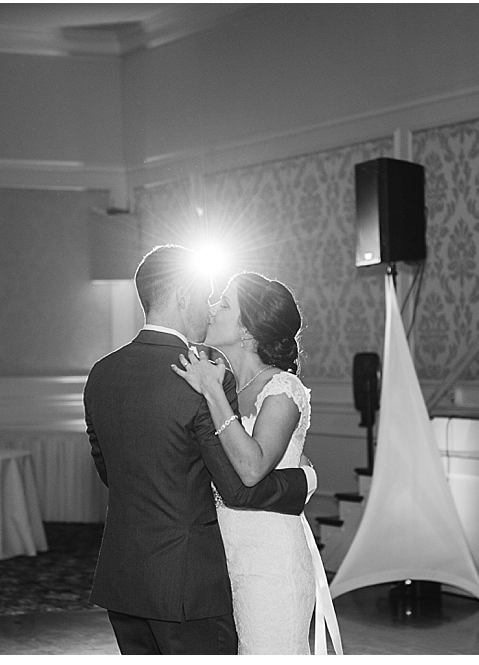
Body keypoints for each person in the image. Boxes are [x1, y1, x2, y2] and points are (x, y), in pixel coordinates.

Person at [84, 245, 317, 655]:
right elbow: (238, 488)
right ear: (181, 297)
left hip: (126, 578)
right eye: (209, 298)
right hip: (187, 582)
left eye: (222, 303)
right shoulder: (201, 379)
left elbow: (110, 469)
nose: (210, 309)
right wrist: (305, 480)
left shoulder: (102, 373)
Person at [172, 271, 343, 655]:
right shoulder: (230, 385)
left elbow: (252, 469)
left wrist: (212, 392)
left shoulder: (283, 389)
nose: (213, 307)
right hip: (223, 558)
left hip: (270, 565)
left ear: (248, 332)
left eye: (225, 304)